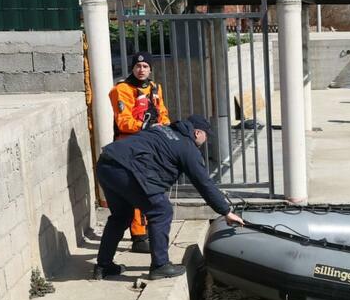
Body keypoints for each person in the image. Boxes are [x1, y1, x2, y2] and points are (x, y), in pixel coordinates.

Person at [94, 114, 244, 280]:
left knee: (120, 217)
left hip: (106, 163)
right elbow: (204, 183)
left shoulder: (163, 129)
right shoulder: (188, 148)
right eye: (206, 135)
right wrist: (226, 212)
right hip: (126, 169)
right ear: (196, 133)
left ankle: (103, 266)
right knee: (161, 211)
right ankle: (160, 265)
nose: (206, 140)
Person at [108, 51, 171, 254]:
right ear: (132, 68)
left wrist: (164, 128)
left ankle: (150, 230)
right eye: (138, 66)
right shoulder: (122, 89)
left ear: (150, 68)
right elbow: (123, 121)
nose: (141, 70)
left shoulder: (154, 88)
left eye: (145, 67)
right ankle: (138, 236)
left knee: (151, 189)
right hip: (129, 147)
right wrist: (146, 127)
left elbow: (163, 113)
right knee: (135, 192)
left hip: (150, 146)